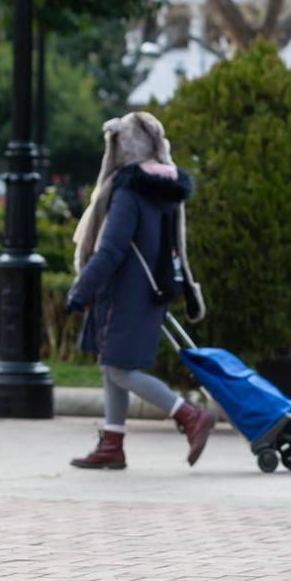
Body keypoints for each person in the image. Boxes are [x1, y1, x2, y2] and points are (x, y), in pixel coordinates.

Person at [66, 112, 215, 470]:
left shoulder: (129, 191)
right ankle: (112, 444)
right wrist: (191, 294)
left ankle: (189, 415)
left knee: (119, 370)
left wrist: (80, 290)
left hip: (125, 293)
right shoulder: (166, 188)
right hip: (152, 292)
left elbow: (111, 250)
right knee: (112, 365)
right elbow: (177, 245)